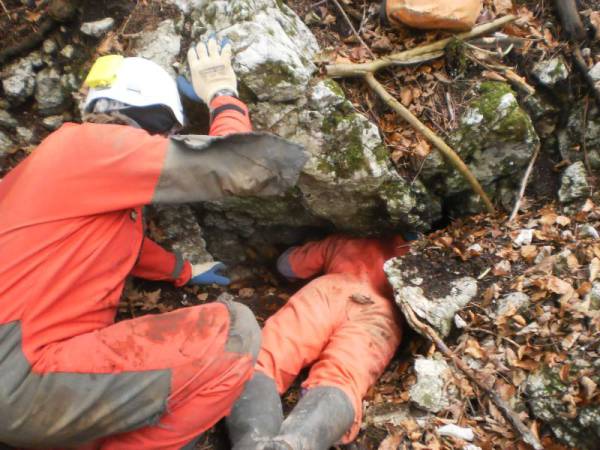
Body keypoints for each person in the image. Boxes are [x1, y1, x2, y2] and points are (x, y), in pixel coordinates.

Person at [0, 37, 307, 449]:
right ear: (152, 115)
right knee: (237, 331)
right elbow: (247, 165)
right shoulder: (92, 146)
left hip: (23, 381)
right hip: (24, 381)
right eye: (169, 132)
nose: (166, 141)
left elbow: (121, 242)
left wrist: (183, 271)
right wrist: (222, 94)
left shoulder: (50, 170)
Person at [227, 234, 412, 450]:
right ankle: (295, 443)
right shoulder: (418, 255)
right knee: (343, 377)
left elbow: (288, 265)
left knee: (267, 356)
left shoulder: (343, 241)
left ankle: (252, 441)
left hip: (327, 291)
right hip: (380, 313)